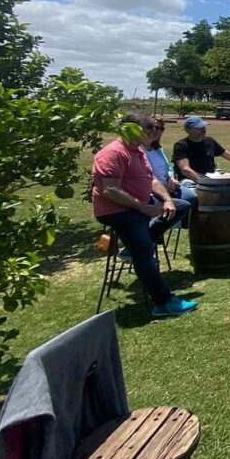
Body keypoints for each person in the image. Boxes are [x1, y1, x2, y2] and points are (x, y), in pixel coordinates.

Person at [91, 114, 197, 317]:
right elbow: (110, 190)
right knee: (145, 253)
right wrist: (143, 207)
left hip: (140, 203)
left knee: (181, 205)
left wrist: (166, 200)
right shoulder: (112, 153)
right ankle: (163, 303)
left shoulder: (137, 151)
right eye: (147, 129)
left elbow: (151, 181)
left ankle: (137, 244)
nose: (152, 134)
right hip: (118, 210)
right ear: (129, 129)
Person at [141, 117, 192, 229]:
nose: (157, 130)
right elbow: (146, 175)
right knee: (183, 205)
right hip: (152, 188)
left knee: (192, 196)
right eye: (154, 127)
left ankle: (173, 224)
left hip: (168, 183)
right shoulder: (139, 149)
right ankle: (155, 230)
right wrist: (165, 188)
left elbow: (168, 167)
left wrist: (172, 178)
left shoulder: (158, 148)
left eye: (161, 128)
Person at [172, 116, 230, 192]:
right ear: (188, 130)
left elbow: (229, 156)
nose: (203, 130)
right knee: (197, 194)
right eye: (199, 128)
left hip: (211, 177)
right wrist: (204, 183)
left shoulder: (209, 141)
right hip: (189, 180)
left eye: (203, 127)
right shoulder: (181, 145)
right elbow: (185, 170)